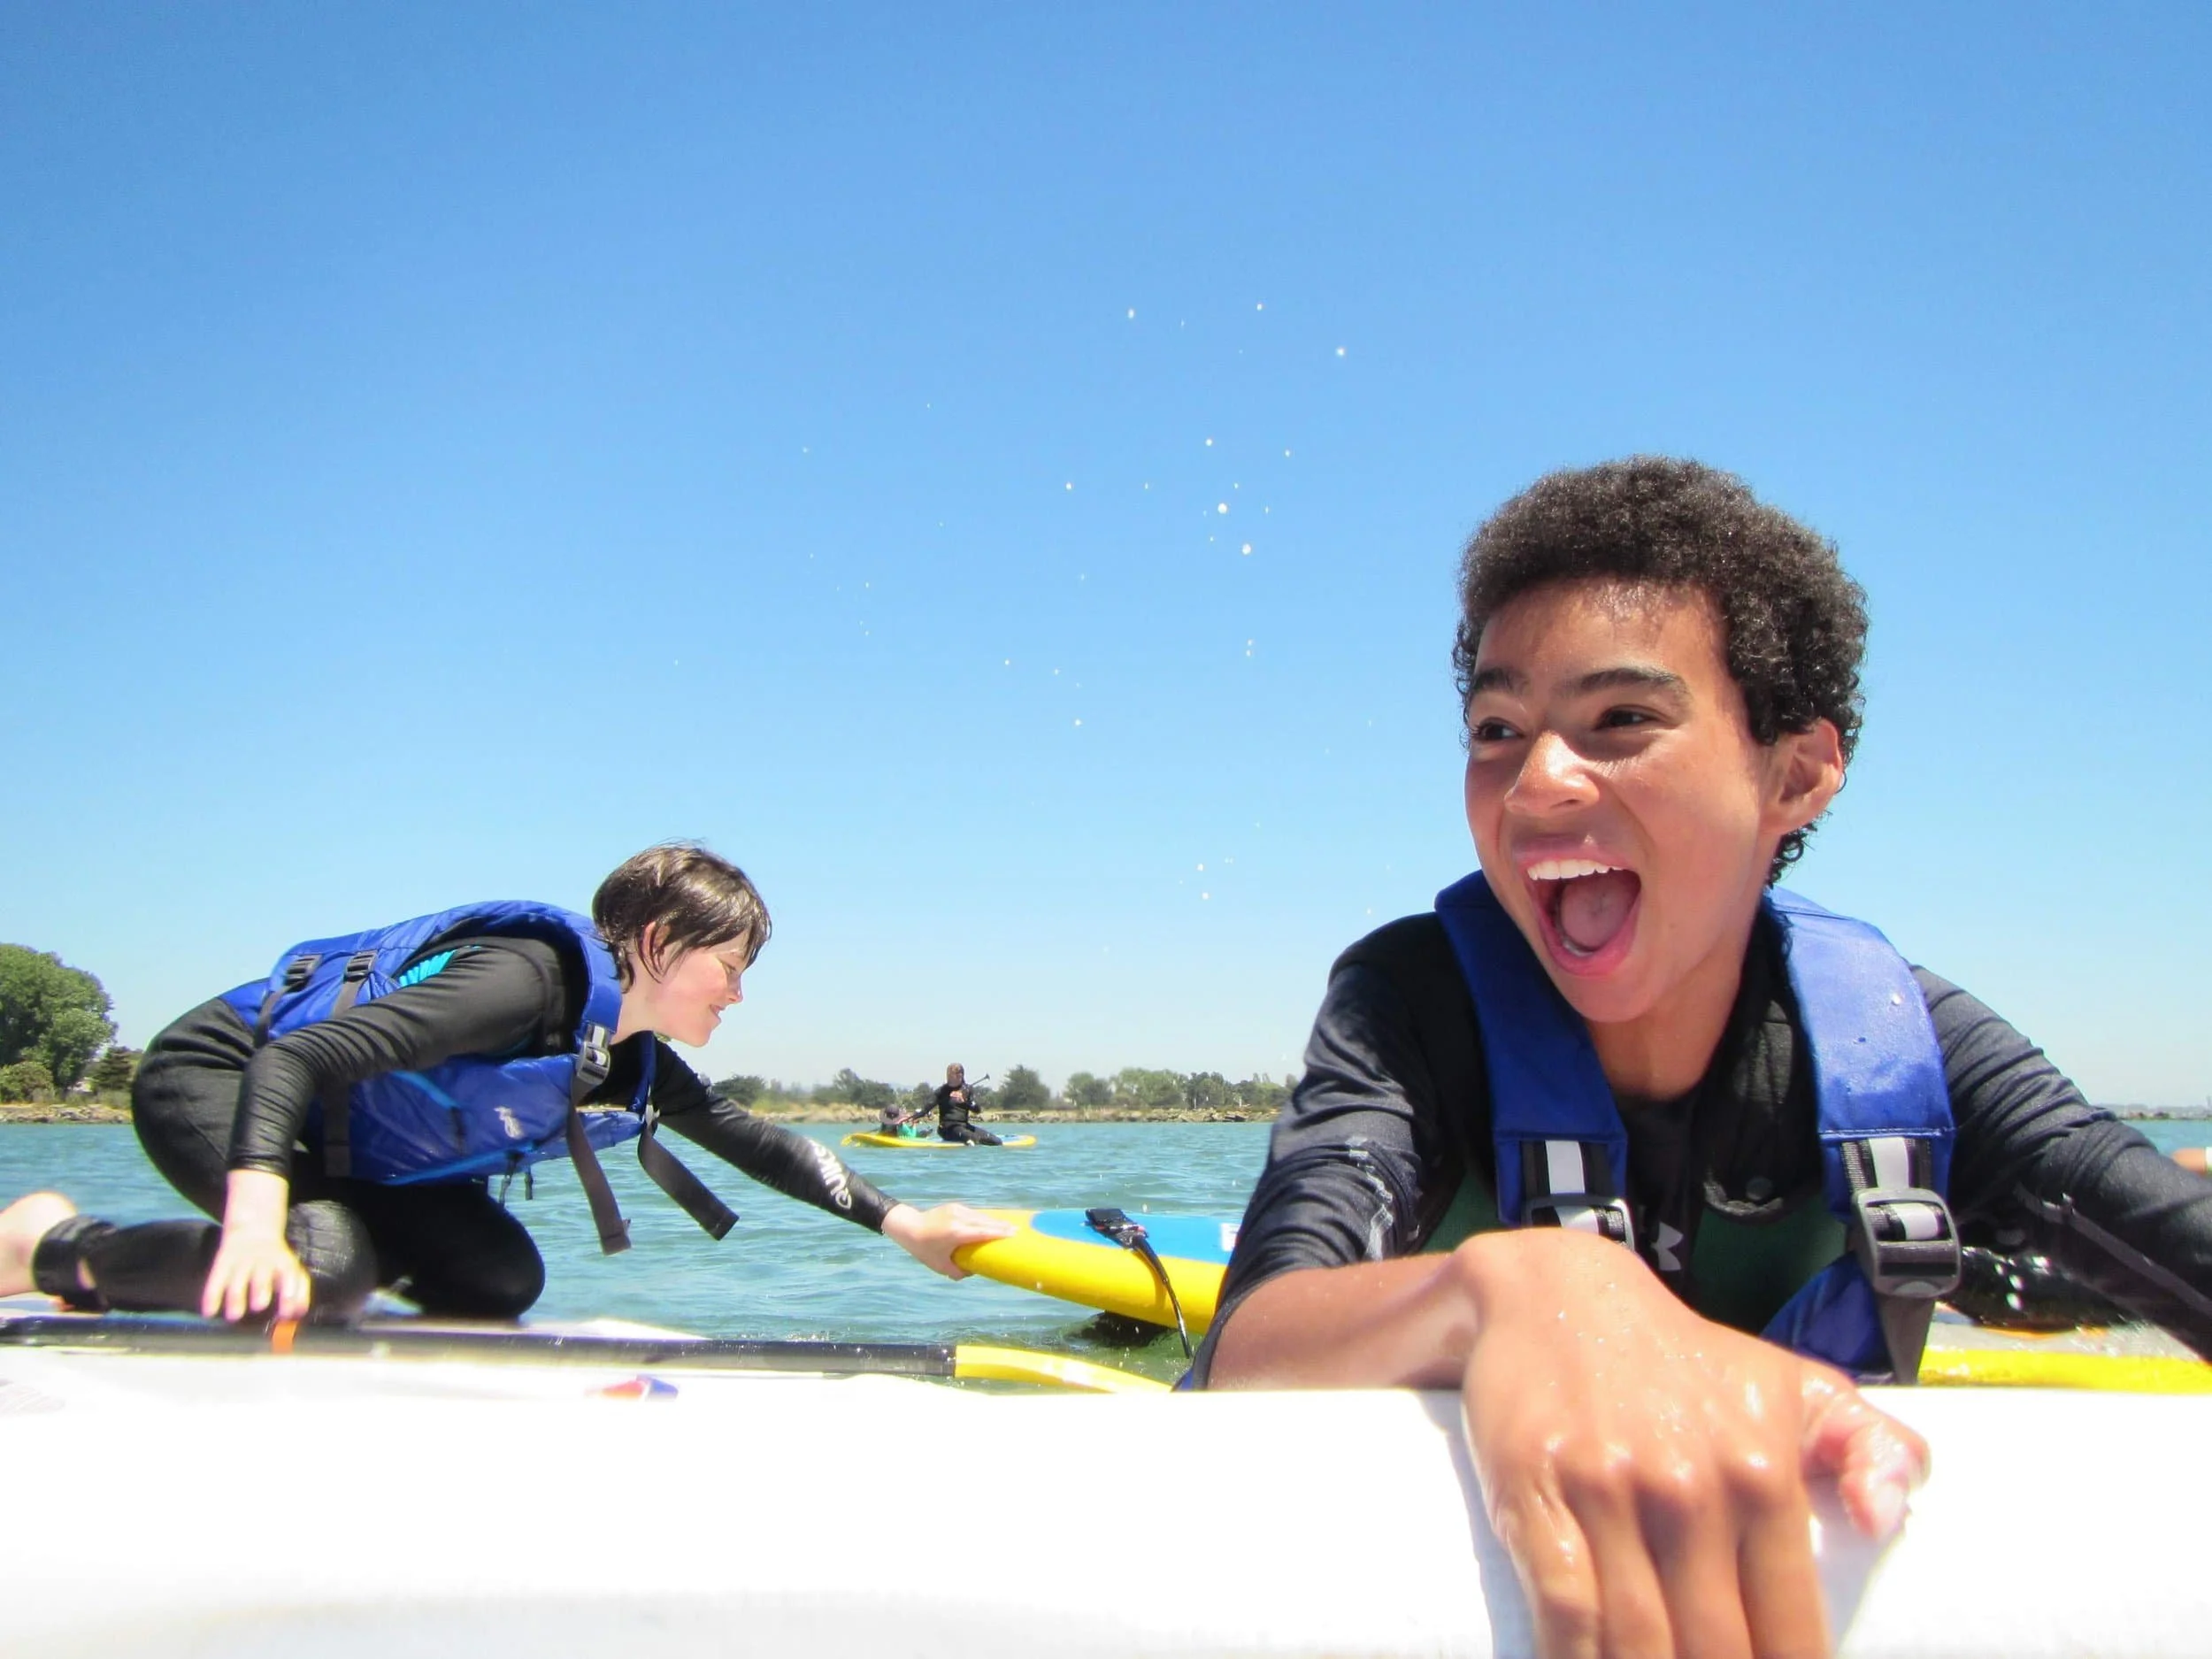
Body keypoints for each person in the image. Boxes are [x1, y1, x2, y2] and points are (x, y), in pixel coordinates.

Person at [1195, 459, 2212, 1659]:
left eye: (1621, 718)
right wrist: (1513, 1288)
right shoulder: (1412, 1006)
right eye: (1498, 728)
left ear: (1795, 772)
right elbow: (1243, 1353)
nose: (1536, 783)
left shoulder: (1904, 1041)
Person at [0, 843, 1010, 1324]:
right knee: (323, 1272)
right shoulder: (518, 981)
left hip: (350, 1144)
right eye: (731, 968)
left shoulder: (625, 1052)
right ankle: (52, 1247)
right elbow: (293, 1058)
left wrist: (909, 1227)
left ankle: (297, 1259)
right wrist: (258, 1223)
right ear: (658, 943)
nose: (738, 995)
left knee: (498, 1281)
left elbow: (753, 1141)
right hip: (225, 1081)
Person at [933, 1064, 1001, 1146]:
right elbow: (927, 1108)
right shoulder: (942, 1091)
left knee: (997, 1141)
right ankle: (968, 1140)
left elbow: (977, 1110)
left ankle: (970, 1139)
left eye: (960, 1073)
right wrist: (914, 1117)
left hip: (964, 1126)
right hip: (947, 1129)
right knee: (974, 1138)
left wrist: (965, 1101)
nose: (959, 1075)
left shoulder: (967, 1090)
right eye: (955, 1073)